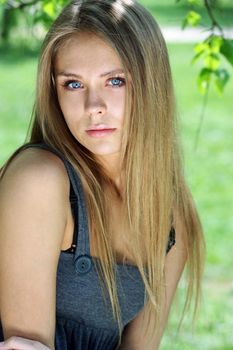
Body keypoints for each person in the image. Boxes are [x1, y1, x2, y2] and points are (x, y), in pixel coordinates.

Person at [0, 0, 205, 349]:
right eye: (73, 85)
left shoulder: (171, 217)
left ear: (150, 83)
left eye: (115, 80)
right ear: (54, 91)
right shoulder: (40, 182)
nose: (94, 106)